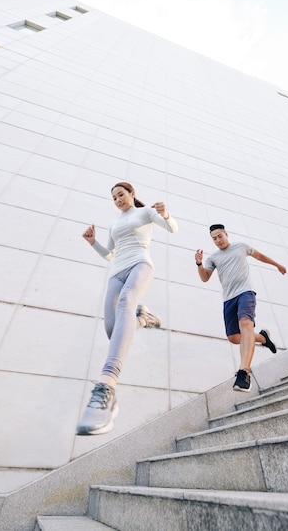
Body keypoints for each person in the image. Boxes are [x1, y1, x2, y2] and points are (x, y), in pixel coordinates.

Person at [77, 181, 178, 435]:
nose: (117, 199)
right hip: (117, 271)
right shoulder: (113, 223)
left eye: (120, 194)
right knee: (112, 330)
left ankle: (107, 385)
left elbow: (172, 228)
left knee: (125, 303)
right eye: (113, 198)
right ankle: (142, 318)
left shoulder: (144, 213)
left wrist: (165, 214)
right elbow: (111, 254)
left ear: (132, 194)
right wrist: (93, 243)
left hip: (140, 264)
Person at [195, 224, 286, 392]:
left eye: (220, 236)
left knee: (246, 323)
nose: (218, 240)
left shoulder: (241, 247)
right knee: (234, 338)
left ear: (226, 234)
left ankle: (244, 373)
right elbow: (205, 278)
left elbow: (260, 256)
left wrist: (277, 265)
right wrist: (199, 264)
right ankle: (264, 338)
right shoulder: (213, 258)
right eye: (214, 238)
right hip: (228, 298)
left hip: (246, 292)